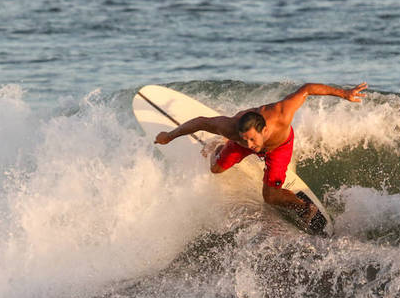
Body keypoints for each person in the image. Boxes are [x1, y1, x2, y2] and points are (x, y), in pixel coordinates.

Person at [153, 82, 367, 230]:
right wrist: (169, 136)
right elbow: (201, 121)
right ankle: (218, 147)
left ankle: (304, 208)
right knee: (215, 169)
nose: (249, 145)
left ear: (264, 131)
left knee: (271, 196)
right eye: (245, 139)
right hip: (235, 140)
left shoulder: (282, 114)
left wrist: (344, 94)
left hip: (279, 147)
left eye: (252, 140)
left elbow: (308, 89)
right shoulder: (231, 128)